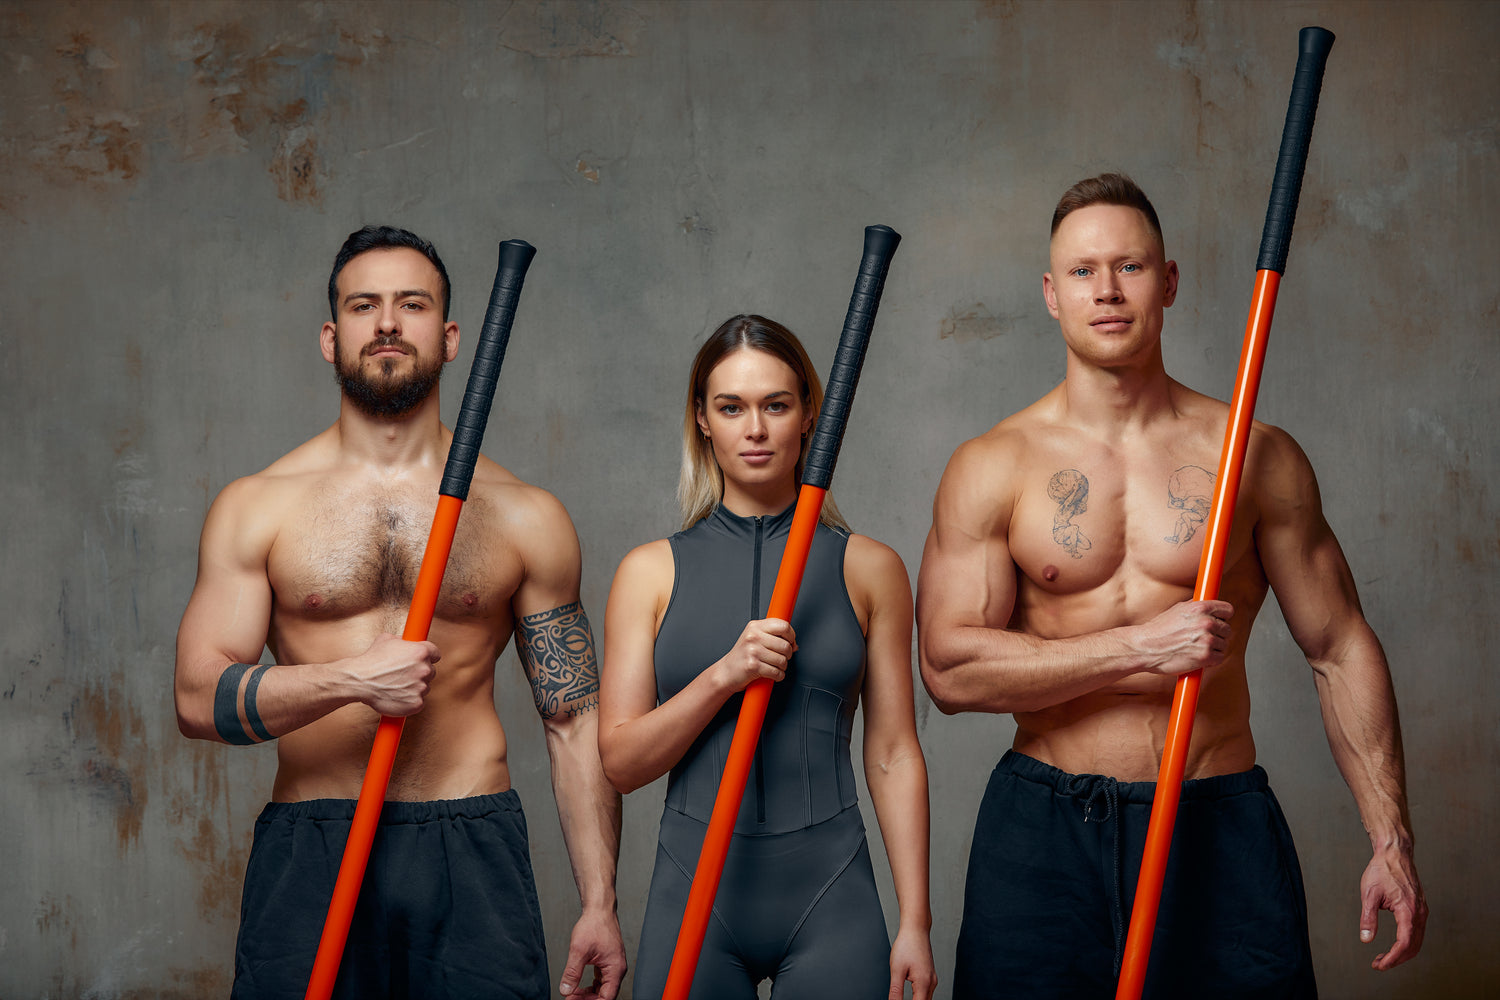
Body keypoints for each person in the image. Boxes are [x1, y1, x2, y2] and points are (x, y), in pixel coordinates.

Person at [917, 174, 1427, 997]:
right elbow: (948, 670)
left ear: (1171, 280)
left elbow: (1338, 647)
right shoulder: (994, 465)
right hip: (1046, 832)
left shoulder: (1252, 454)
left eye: (1131, 266)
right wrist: (1135, 647)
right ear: (1051, 295)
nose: (1107, 290)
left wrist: (1390, 837)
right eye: (1082, 272)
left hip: (1216, 818)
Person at [174, 226, 626, 1000]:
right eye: (363, 305)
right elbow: (196, 699)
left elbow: (573, 721)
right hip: (313, 843)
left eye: (411, 305)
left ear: (449, 338)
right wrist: (348, 679)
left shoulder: (525, 515)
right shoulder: (258, 508)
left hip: (470, 841)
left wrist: (599, 902)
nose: (387, 323)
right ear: (331, 336)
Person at [599, 315, 936, 1000]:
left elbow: (894, 751)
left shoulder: (869, 569)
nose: (755, 429)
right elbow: (623, 761)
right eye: (732, 407)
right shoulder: (649, 573)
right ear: (702, 418)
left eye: (775, 405)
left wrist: (917, 922)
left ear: (809, 412)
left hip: (831, 896)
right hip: (694, 893)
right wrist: (725, 675)